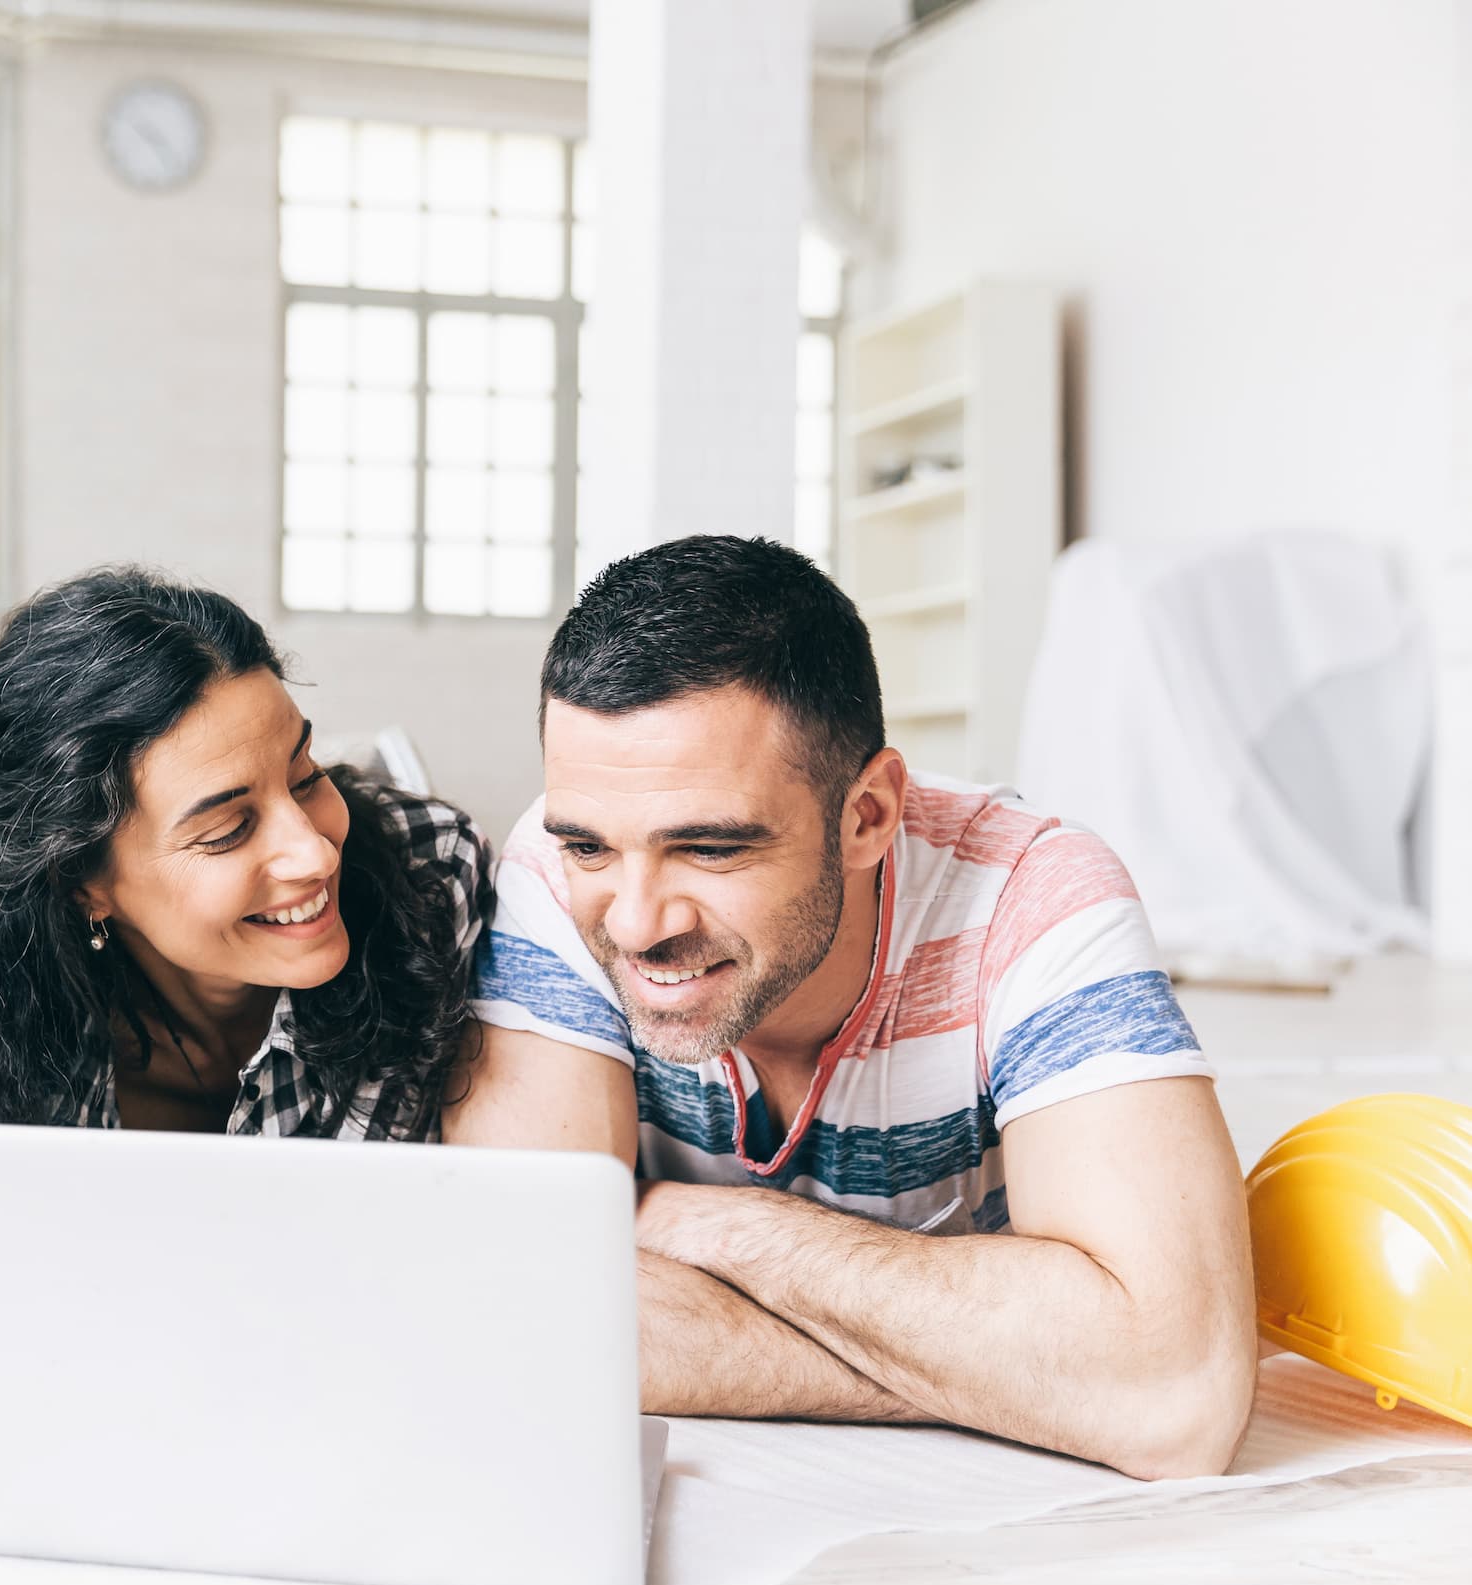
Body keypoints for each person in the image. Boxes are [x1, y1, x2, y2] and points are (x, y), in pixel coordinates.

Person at [447, 535, 1257, 1480]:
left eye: (709, 848)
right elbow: (507, 1299)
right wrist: (1015, 1375)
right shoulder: (550, 878)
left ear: (868, 814)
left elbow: (1173, 1388)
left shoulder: (1034, 896)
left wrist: (704, 1223)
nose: (635, 922)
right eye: (593, 846)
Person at [0, 567, 494, 1405]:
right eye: (227, 830)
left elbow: (395, 1268)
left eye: (304, 775)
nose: (313, 851)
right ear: (83, 879)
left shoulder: (421, 875)